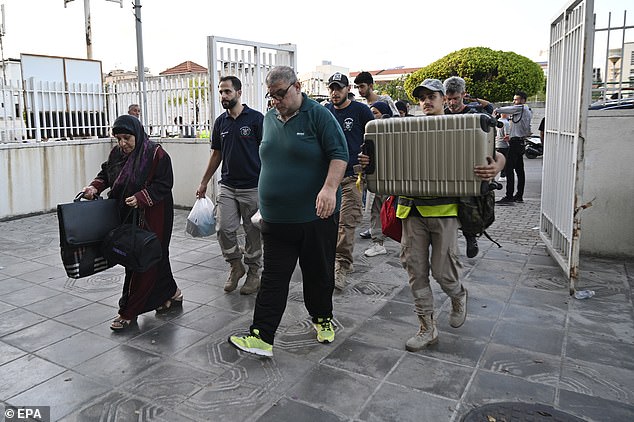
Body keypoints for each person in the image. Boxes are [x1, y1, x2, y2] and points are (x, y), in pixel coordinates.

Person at [358, 79, 505, 352]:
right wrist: (369, 161)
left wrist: (495, 166)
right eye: (422, 97)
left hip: (445, 212)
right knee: (415, 271)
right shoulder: (406, 128)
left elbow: (497, 154)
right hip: (410, 211)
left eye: (432, 96)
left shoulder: (461, 125)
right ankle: (426, 327)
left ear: (442, 99)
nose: (426, 101)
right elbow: (383, 158)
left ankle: (458, 294)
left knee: (443, 271)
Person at [228, 66, 348, 357]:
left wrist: (329, 188)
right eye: (272, 96)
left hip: (314, 217)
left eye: (281, 94)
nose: (276, 100)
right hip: (276, 219)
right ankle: (261, 336)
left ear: (297, 87)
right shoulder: (269, 118)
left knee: (318, 273)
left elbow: (339, 154)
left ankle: (322, 319)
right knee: (273, 278)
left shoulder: (319, 115)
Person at [81, 115, 181, 331]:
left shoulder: (156, 154)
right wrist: (94, 187)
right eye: (118, 138)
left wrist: (142, 197)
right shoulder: (117, 154)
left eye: (127, 138)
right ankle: (171, 293)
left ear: (138, 133)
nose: (122, 144)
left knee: (143, 258)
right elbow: (106, 174)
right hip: (126, 213)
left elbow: (164, 184)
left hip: (154, 214)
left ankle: (128, 311)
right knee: (156, 256)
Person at [196, 76, 264, 295]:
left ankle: (254, 272)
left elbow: (267, 153)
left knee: (253, 233)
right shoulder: (221, 122)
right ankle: (236, 265)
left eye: (227, 91)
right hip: (228, 186)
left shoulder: (256, 119)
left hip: (253, 187)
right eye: (221, 92)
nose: (223, 96)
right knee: (224, 229)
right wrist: (204, 181)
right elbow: (217, 154)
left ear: (238, 92)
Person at [324, 72, 375, 291]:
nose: (335, 93)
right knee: (327, 223)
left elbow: (374, 140)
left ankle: (342, 266)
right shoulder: (325, 112)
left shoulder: (361, 111)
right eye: (332, 88)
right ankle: (332, 260)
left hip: (352, 177)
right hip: (327, 178)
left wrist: (369, 160)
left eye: (339, 88)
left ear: (347, 90)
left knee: (347, 222)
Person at [443, 76, 494, 258]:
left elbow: (489, 139)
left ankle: (470, 237)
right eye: (448, 99)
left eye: (455, 98)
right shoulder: (441, 117)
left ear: (463, 95)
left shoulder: (474, 116)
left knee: (468, 208)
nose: (451, 102)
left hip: (468, 169)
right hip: (445, 170)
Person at [363, 101, 394, 259]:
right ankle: (378, 242)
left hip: (391, 179)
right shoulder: (372, 132)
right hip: (379, 179)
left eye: (375, 112)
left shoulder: (392, 131)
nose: (372, 116)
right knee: (377, 210)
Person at [494, 91, 532, 204]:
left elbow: (505, 109)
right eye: (514, 100)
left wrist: (496, 109)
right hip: (519, 142)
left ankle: (509, 196)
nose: (514, 102)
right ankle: (519, 195)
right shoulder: (526, 110)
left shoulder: (521, 108)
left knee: (509, 169)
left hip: (516, 142)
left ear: (523, 100)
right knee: (520, 170)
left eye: (516, 99)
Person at [495, 113, 511, 181]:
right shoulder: (506, 123)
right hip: (504, 145)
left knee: (497, 160)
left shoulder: (496, 122)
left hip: (496, 144)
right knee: (505, 161)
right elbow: (506, 136)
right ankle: (503, 176)